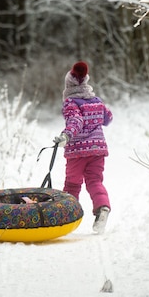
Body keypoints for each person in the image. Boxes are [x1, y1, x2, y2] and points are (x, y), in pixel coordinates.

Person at [54, 61, 113, 234]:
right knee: (95, 181)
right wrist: (98, 109)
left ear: (68, 85)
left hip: (77, 152)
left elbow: (76, 121)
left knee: (72, 185)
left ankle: (65, 218)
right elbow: (108, 118)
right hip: (97, 150)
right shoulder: (96, 101)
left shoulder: (71, 103)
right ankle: (102, 207)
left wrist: (66, 136)